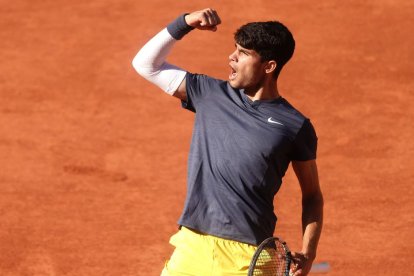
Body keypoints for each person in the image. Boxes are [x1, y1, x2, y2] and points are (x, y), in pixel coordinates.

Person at [132, 8, 323, 276]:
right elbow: (145, 64)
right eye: (235, 49)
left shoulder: (294, 126)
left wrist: (309, 252)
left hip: (249, 257)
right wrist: (184, 23)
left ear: (269, 67)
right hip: (192, 246)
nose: (231, 57)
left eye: (244, 53)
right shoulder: (210, 94)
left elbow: (312, 195)